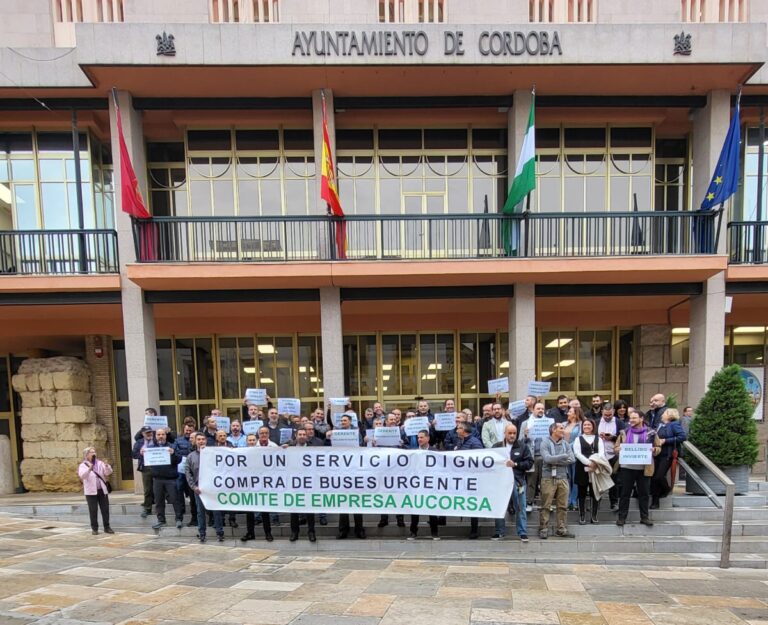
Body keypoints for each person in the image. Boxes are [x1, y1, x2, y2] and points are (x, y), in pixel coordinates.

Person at [614, 411, 661, 527]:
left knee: (644, 494)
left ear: (641, 418)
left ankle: (644, 517)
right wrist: (618, 449)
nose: (632, 420)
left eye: (634, 418)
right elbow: (615, 447)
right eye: (630, 418)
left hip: (644, 468)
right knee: (625, 494)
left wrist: (655, 450)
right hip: (627, 467)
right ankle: (621, 517)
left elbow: (658, 446)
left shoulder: (651, 433)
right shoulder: (624, 432)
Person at [492, 424, 533, 541]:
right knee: (500, 507)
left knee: (520, 507)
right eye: (509, 433)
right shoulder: (497, 446)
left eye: (514, 433)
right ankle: (499, 532)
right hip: (500, 482)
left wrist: (515, 464)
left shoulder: (522, 446)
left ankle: (522, 532)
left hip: (518, 481)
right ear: (504, 433)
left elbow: (529, 463)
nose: (512, 435)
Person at [185, 432, 224, 543]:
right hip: (199, 489)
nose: (201, 441)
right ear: (195, 441)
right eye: (199, 439)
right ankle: (202, 533)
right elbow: (188, 473)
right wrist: (194, 487)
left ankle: (220, 532)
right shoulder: (191, 456)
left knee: (216, 511)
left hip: (213, 488)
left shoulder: (213, 454)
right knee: (200, 512)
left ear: (206, 441)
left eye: (203, 439)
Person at [538, 422, 575, 539]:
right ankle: (543, 528)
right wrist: (564, 456)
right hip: (548, 478)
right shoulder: (545, 442)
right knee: (546, 504)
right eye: (561, 428)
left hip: (563, 477)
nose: (563, 430)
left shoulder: (565, 443)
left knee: (563, 505)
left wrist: (557, 460)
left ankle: (561, 529)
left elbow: (572, 459)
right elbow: (547, 459)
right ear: (553, 430)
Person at [241, 427, 276, 543]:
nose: (264, 435)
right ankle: (250, 533)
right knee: (249, 510)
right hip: (251, 483)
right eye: (261, 433)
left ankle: (268, 533)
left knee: (264, 509)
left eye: (266, 433)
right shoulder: (249, 449)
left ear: (269, 434)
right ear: (258, 435)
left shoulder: (274, 447)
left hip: (266, 483)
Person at [145, 428, 183, 530]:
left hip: (171, 479)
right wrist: (142, 453)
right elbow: (144, 460)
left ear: (166, 435)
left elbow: (179, 459)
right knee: (159, 501)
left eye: (162, 434)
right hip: (157, 479)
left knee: (175, 499)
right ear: (155, 436)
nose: (161, 436)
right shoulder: (151, 448)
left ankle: (179, 519)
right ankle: (161, 520)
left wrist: (173, 453)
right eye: (158, 434)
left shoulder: (172, 446)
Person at [407, 429, 441, 541]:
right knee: (415, 510)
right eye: (418, 438)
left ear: (428, 438)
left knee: (432, 510)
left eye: (421, 437)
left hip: (431, 485)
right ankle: (413, 532)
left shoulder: (435, 452)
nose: (419, 439)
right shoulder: (413, 452)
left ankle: (434, 533)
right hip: (416, 485)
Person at [651, 407, 687, 509]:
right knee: (654, 478)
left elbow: (682, 437)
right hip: (656, 454)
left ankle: (666, 489)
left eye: (664, 413)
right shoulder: (660, 425)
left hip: (667, 455)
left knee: (658, 476)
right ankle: (655, 502)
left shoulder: (674, 424)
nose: (662, 415)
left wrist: (665, 441)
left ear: (669, 415)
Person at [452, 422, 482, 539]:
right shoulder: (460, 442)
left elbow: (479, 459)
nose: (456, 430)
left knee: (472, 504)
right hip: (462, 478)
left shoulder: (475, 442)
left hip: (472, 478)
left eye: (458, 428)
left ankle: (474, 529)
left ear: (464, 431)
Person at [572, 418, 605, 524]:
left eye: (589, 425)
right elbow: (577, 453)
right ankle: (582, 515)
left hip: (596, 467)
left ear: (593, 427)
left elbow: (601, 453)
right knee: (581, 492)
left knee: (595, 492)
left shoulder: (598, 439)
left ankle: (594, 515)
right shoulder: (578, 439)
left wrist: (595, 462)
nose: (586, 426)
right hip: (582, 467)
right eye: (585, 425)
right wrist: (588, 462)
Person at [521, 402, 552, 513]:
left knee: (546, 481)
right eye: (538, 408)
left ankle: (547, 503)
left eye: (542, 409)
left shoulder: (549, 423)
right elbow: (520, 441)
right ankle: (529, 502)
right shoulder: (526, 423)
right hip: (532, 456)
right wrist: (525, 435)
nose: (540, 410)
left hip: (545, 456)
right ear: (533, 410)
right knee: (531, 482)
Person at [78, 446, 114, 535]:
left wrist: (107, 466)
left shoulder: (100, 463)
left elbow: (108, 473)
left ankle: (107, 527)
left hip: (102, 490)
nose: (94, 454)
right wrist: (89, 469)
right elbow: (83, 476)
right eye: (91, 452)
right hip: (90, 492)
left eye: (94, 452)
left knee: (105, 509)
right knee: (93, 510)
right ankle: (94, 528)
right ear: (87, 455)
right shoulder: (83, 465)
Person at [597, 401, 625, 511]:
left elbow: (624, 438)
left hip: (614, 455)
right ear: (602, 412)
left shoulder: (619, 422)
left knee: (614, 479)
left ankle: (614, 502)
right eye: (605, 415)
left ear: (613, 412)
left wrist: (612, 437)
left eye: (610, 415)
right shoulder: (596, 422)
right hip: (600, 455)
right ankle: (597, 502)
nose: (608, 417)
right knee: (598, 479)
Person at [174, 422, 198, 527]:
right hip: (181, 472)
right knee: (179, 492)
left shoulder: (198, 442)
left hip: (194, 473)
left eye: (190, 431)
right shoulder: (178, 441)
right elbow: (175, 453)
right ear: (184, 430)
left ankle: (195, 517)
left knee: (193, 496)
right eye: (187, 430)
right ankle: (181, 512)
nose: (188, 432)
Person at [131, 426, 155, 518]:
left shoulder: (157, 440)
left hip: (157, 467)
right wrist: (140, 453)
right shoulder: (139, 443)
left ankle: (160, 507)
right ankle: (148, 508)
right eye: (147, 433)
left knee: (159, 489)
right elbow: (133, 455)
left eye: (150, 432)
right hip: (146, 467)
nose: (149, 434)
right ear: (143, 434)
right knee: (148, 489)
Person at [564, 405, 584, 510]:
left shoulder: (580, 425)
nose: (568, 413)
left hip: (575, 455)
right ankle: (567, 500)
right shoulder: (564, 424)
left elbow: (578, 439)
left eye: (570, 412)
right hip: (564, 455)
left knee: (575, 478)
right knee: (567, 478)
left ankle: (573, 500)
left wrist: (567, 447)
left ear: (575, 414)